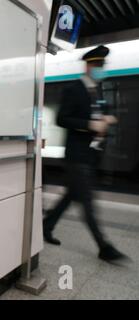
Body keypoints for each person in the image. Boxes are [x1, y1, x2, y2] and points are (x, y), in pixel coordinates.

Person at [43, 45, 128, 263]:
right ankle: (104, 246)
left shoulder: (98, 90)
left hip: (90, 155)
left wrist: (108, 119)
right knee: (87, 201)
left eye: (103, 65)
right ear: (88, 66)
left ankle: (46, 225)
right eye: (98, 65)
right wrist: (90, 124)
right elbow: (62, 119)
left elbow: (102, 113)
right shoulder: (74, 89)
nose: (101, 69)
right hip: (76, 155)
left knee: (72, 194)